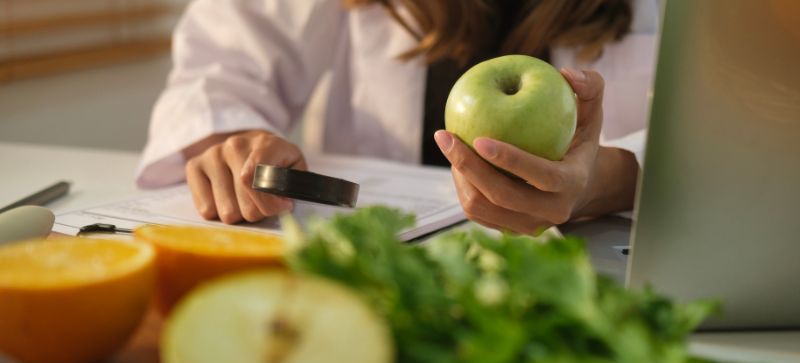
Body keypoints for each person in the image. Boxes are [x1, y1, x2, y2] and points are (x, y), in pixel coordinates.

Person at [137, 0, 659, 235]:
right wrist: (238, 144)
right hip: (373, 259)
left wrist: (601, 182)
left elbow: (726, 142)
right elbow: (222, 66)